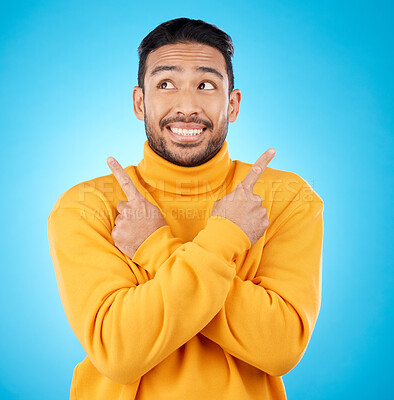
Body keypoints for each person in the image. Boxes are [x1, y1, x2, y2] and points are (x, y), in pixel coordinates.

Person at [47, 17, 324, 400]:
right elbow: (120, 354)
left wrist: (156, 247)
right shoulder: (86, 206)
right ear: (139, 102)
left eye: (206, 85)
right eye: (165, 84)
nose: (187, 106)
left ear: (233, 104)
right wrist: (226, 238)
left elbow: (280, 348)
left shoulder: (285, 197)